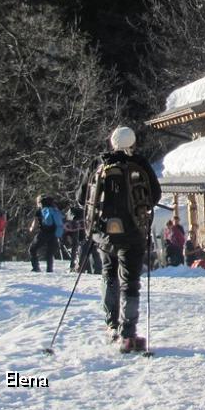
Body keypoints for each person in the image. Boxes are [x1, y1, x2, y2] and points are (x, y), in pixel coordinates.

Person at [79, 125, 161, 353]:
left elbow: (81, 197)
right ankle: (128, 333)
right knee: (130, 282)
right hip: (133, 232)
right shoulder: (140, 164)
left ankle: (111, 324)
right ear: (133, 143)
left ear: (112, 143)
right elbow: (155, 195)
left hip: (104, 233)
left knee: (108, 274)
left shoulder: (99, 163)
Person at [28, 195, 64, 272]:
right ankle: (49, 269)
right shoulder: (55, 210)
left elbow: (35, 225)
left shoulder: (40, 211)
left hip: (43, 233)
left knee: (32, 249)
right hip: (54, 234)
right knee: (49, 253)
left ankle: (36, 267)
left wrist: (31, 229)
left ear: (40, 202)